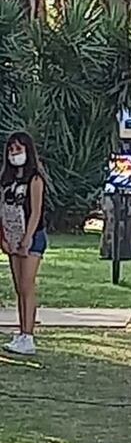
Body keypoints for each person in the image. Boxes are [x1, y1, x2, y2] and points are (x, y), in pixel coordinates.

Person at [0, 132, 47, 356]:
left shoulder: (35, 178)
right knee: (19, 288)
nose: (14, 153)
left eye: (18, 149)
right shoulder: (6, 180)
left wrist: (27, 238)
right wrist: (5, 239)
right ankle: (21, 332)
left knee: (27, 286)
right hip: (12, 236)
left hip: (32, 236)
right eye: (11, 149)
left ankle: (28, 335)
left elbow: (36, 211)